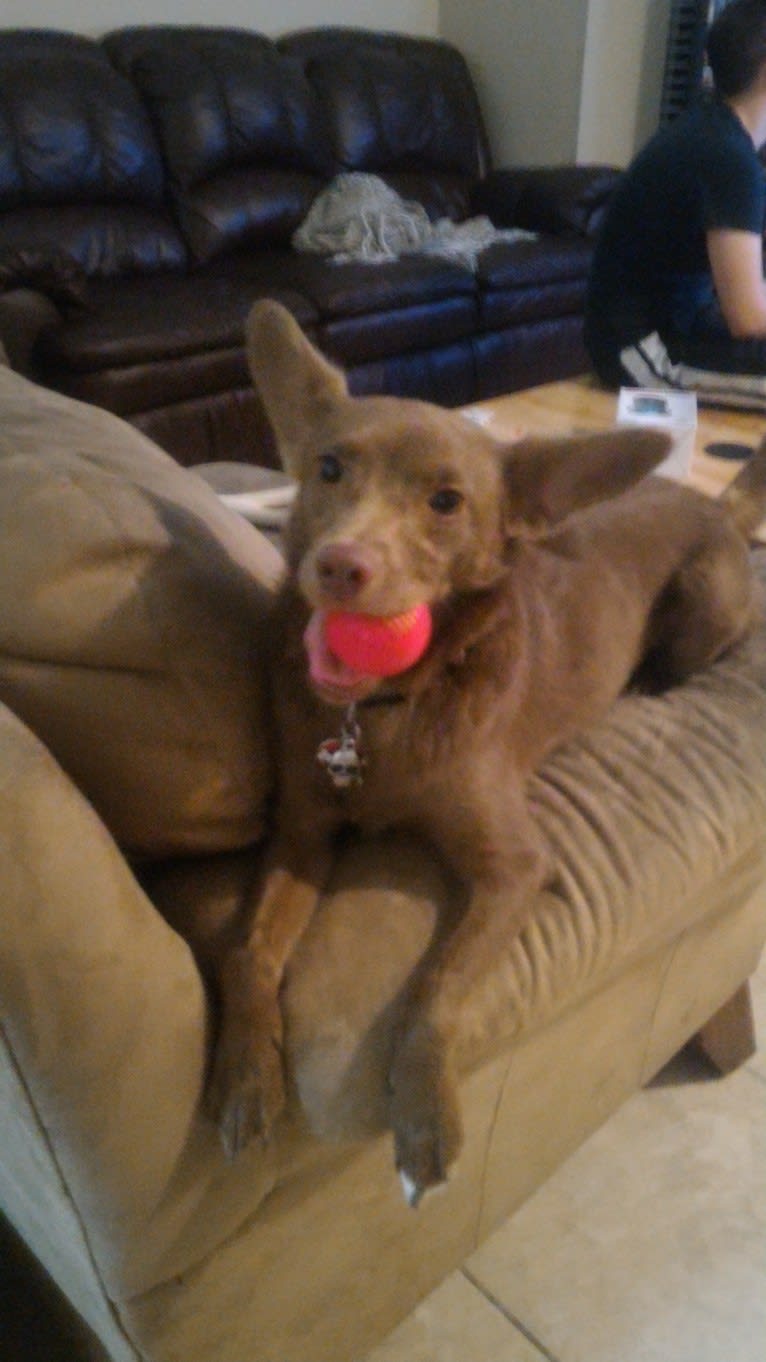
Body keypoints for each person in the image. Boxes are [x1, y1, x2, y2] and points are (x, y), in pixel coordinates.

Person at [585, 0, 766, 409]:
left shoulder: (717, 135)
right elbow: (749, 317)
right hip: (641, 350)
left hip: (678, 328)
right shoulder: (727, 158)